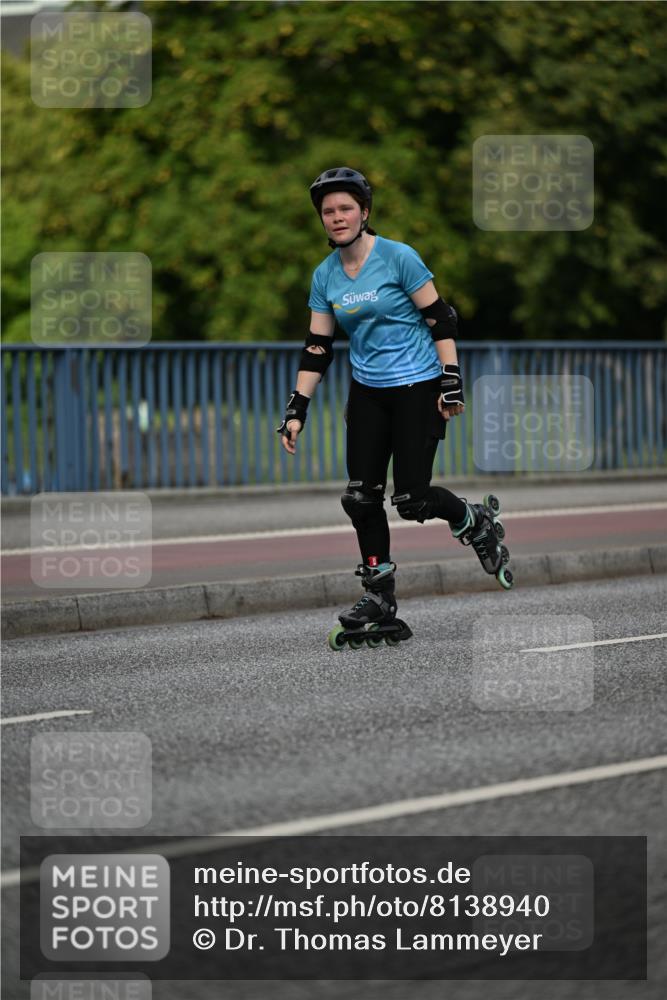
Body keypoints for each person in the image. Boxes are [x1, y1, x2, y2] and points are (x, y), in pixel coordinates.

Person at [278, 167, 512, 643]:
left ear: (364, 212)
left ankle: (473, 519)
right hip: (367, 391)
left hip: (417, 387)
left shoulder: (398, 257)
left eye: (346, 208)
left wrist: (451, 380)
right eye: (328, 211)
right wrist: (296, 407)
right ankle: (379, 596)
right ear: (321, 220)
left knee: (411, 499)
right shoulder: (325, 277)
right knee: (359, 497)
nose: (337, 217)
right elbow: (317, 347)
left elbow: (440, 318)